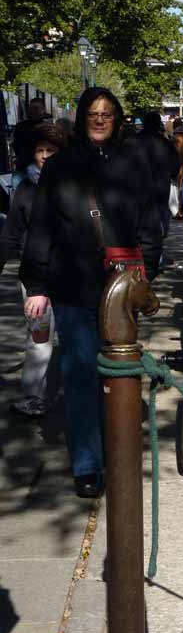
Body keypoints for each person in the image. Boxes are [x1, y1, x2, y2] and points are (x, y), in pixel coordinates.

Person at [21, 87, 162, 498]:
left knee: (118, 375)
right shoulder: (60, 166)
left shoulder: (133, 163)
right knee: (81, 373)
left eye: (107, 114)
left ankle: (117, 453)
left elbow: (152, 221)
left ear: (116, 119)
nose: (100, 120)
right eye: (93, 114)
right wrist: (36, 285)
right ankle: (88, 463)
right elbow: (42, 226)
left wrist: (147, 273)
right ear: (82, 118)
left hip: (120, 286)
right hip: (72, 283)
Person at [0, 122, 67, 416]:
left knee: (73, 338)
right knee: (39, 339)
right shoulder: (25, 191)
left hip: (70, 275)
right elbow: (11, 234)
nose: (44, 156)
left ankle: (75, 394)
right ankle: (32, 397)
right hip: (34, 279)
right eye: (39, 150)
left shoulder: (74, 186)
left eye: (50, 150)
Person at [135, 111, 181, 237]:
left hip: (138, 190)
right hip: (160, 188)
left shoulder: (132, 142)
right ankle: (160, 237)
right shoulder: (166, 143)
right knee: (161, 218)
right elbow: (175, 167)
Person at [12, 98, 51, 180]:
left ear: (43, 109)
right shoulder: (21, 126)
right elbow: (16, 144)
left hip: (41, 169)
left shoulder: (48, 127)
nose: (33, 111)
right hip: (23, 167)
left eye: (36, 108)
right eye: (31, 108)